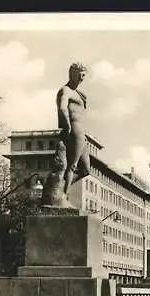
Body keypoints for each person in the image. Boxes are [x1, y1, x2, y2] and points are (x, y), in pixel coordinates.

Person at [57, 62, 90, 196]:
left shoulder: (78, 93)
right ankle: (63, 196)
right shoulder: (66, 90)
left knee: (86, 170)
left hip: (82, 132)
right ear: (74, 74)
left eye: (84, 75)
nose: (82, 77)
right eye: (80, 74)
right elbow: (62, 107)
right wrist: (67, 125)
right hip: (74, 129)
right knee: (72, 165)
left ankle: (61, 188)